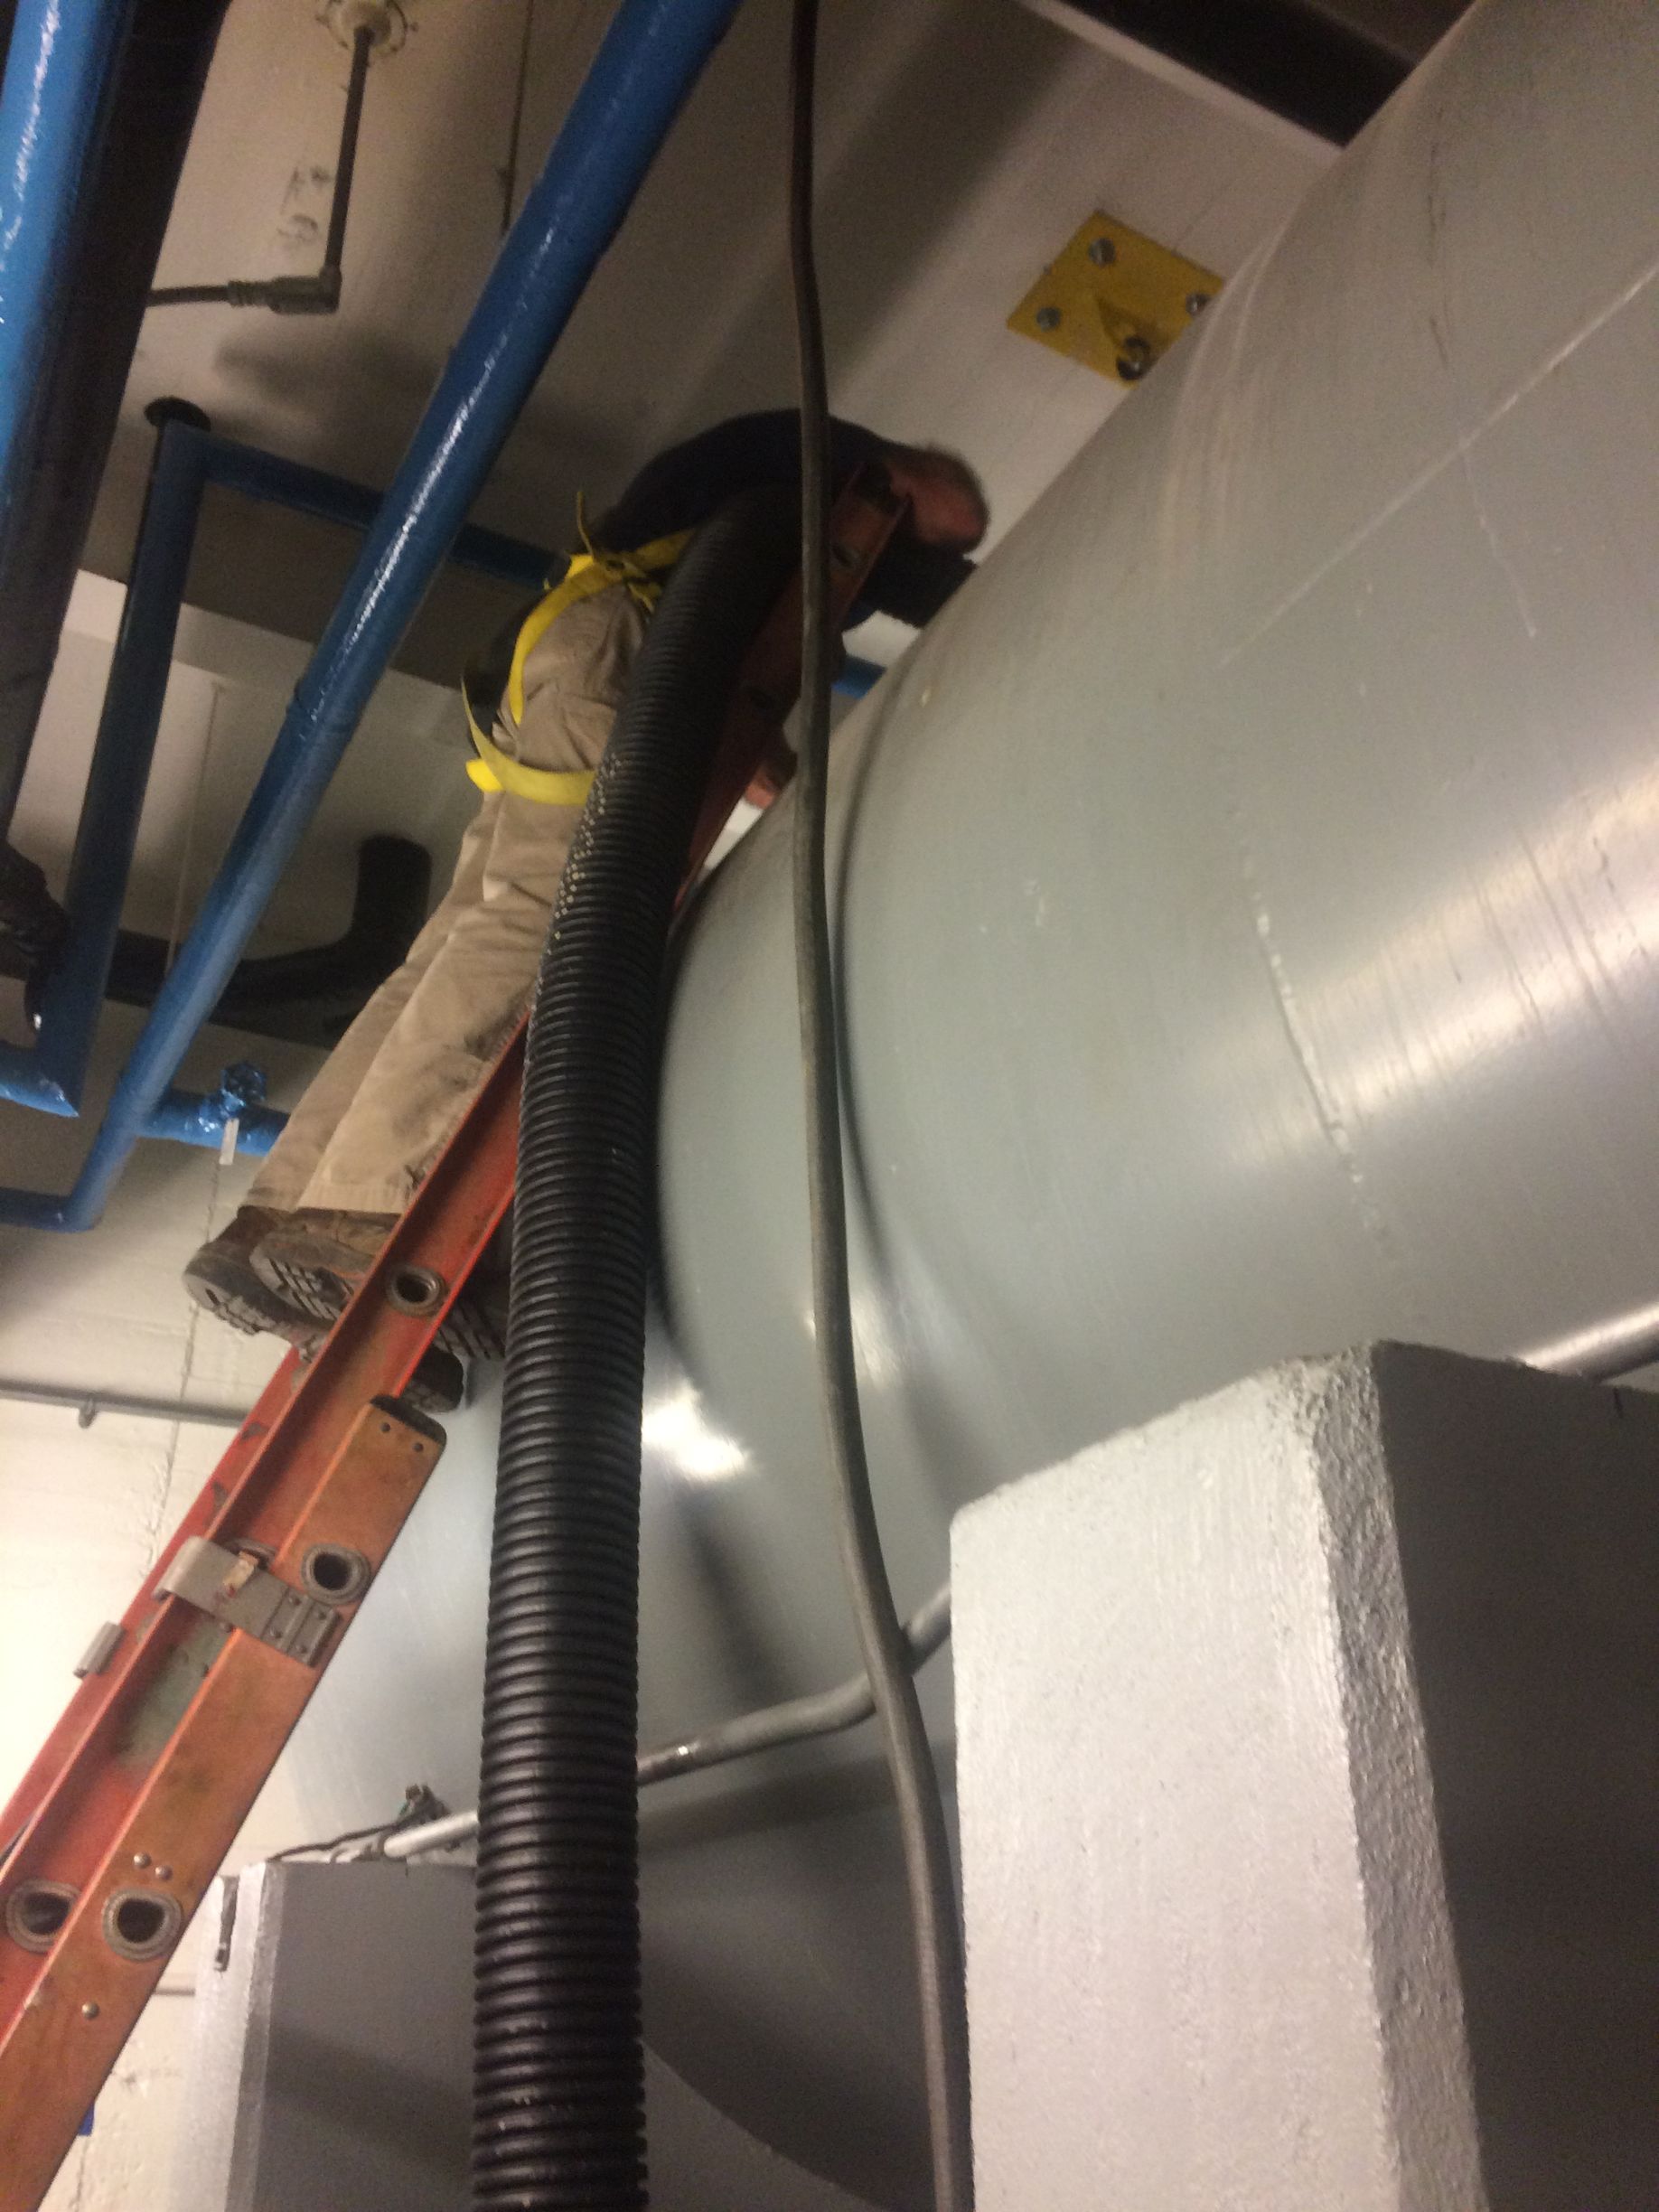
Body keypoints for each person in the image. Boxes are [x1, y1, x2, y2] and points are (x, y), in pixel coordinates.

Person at [182, 410, 988, 1350]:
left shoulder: (758, 501)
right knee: (537, 926)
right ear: (911, 471)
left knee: (453, 943)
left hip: (561, 666)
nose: (926, 552)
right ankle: (363, 1210)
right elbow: (946, 505)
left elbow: (747, 726)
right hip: (610, 654)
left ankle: (271, 1225)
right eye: (937, 532)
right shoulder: (830, 470)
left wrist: (804, 800)